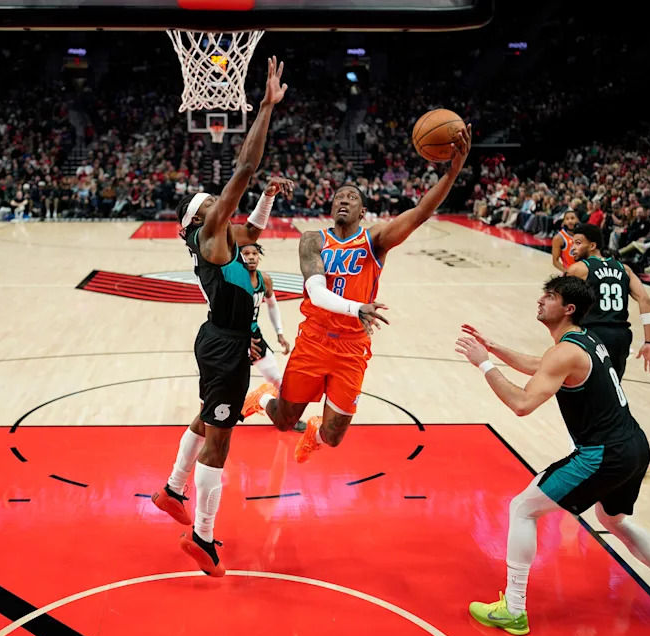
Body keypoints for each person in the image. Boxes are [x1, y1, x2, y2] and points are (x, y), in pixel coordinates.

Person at [456, 276, 650, 636]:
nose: (541, 300)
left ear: (568, 308)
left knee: (522, 508)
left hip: (604, 454)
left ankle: (513, 608)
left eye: (550, 296)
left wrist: (484, 365)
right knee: (614, 519)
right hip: (635, 445)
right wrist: (493, 347)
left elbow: (522, 404)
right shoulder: (583, 339)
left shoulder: (566, 351)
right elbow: (540, 364)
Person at [244, 124, 472, 461]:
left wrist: (452, 172)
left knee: (333, 437)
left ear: (363, 212)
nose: (344, 201)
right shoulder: (313, 240)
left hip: (352, 348)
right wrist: (356, 308)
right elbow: (316, 291)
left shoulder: (375, 240)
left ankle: (314, 433)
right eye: (339, 197)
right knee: (284, 419)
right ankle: (262, 397)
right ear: (331, 207)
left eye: (352, 198)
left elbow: (421, 212)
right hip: (314, 340)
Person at [149, 56, 288, 577]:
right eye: (213, 202)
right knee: (220, 439)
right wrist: (266, 109)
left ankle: (172, 489)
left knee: (207, 415)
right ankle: (204, 538)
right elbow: (245, 169)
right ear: (200, 219)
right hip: (225, 345)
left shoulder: (224, 238)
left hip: (223, 337)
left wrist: (270, 198)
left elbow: (253, 230)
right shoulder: (211, 238)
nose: (220, 204)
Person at [567, 223, 650, 381]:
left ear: (592, 245)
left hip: (592, 334)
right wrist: (649, 341)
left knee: (586, 389)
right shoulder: (624, 269)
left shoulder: (579, 269)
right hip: (620, 337)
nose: (573, 248)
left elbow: (561, 302)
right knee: (613, 388)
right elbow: (645, 300)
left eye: (578, 243)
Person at [239, 244, 304, 433]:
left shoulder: (264, 279)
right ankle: (222, 419)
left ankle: (288, 419)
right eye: (246, 254)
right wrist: (242, 340)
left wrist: (280, 333)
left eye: (254, 253)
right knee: (231, 386)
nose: (251, 257)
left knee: (278, 380)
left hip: (255, 338)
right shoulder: (233, 281)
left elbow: (272, 306)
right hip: (233, 340)